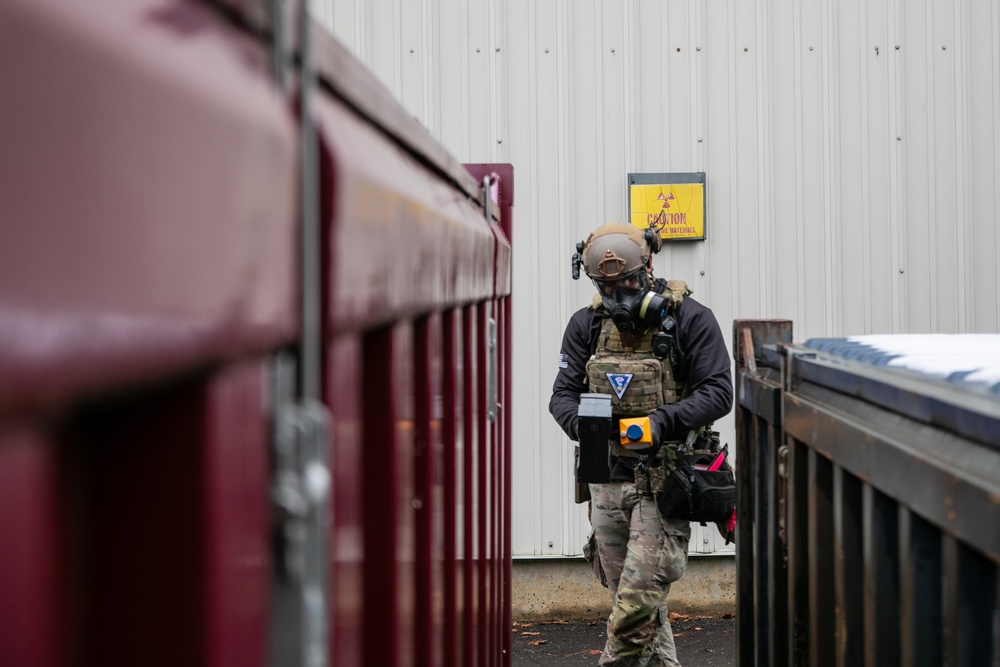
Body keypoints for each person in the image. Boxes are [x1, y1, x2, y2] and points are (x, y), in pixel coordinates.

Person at [549, 222, 733, 666]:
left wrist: (659, 422)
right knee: (639, 607)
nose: (620, 294)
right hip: (606, 483)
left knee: (634, 606)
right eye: (607, 286)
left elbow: (719, 392)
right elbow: (561, 396)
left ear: (648, 267)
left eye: (628, 282)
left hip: (665, 481)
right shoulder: (586, 324)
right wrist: (586, 425)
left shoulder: (690, 318)